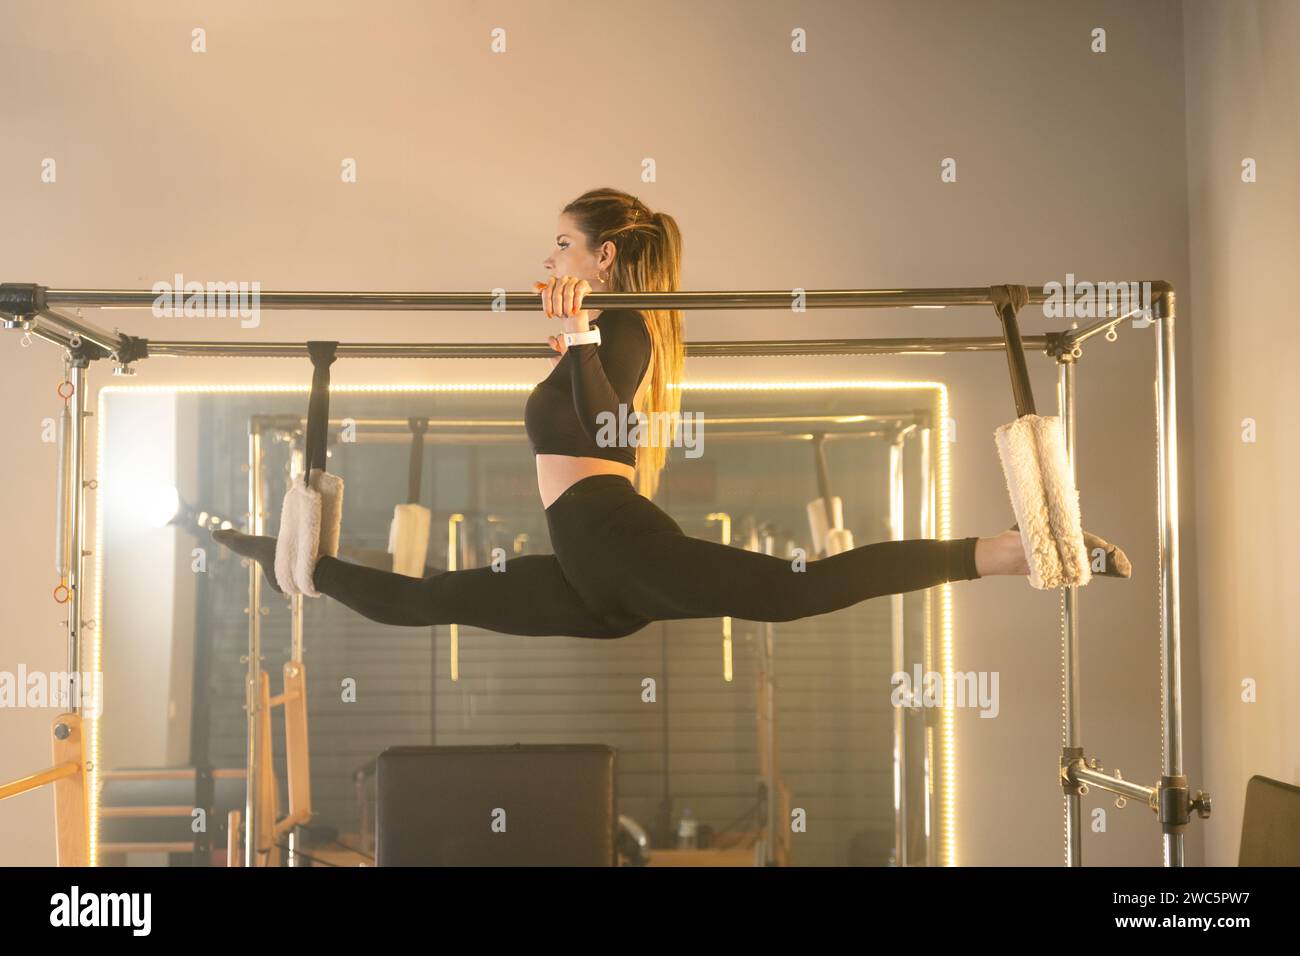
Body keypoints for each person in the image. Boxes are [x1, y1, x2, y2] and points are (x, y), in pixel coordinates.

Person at [213, 187, 1128, 639]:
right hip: (594, 572)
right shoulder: (600, 333)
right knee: (426, 602)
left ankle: (1013, 551)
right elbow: (590, 416)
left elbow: (611, 426)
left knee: (801, 590)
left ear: (603, 259)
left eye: (563, 244)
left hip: (610, 544)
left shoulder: (626, 330)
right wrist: (569, 351)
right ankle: (282, 557)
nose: (550, 255)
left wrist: (576, 345)